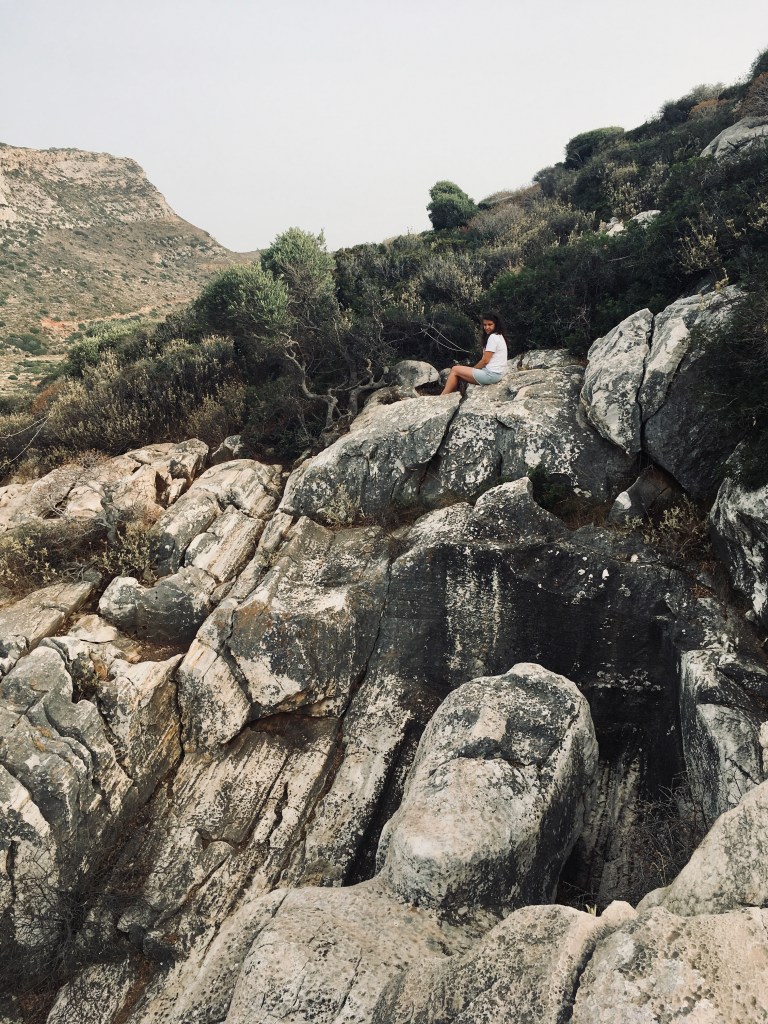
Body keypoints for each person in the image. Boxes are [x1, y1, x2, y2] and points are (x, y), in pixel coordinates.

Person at [440, 312, 508, 395]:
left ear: (496, 324)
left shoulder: (493, 337)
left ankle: (443, 397)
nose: (487, 327)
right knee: (459, 373)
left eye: (490, 324)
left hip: (491, 375)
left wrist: (473, 369)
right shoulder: (499, 336)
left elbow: (485, 361)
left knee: (455, 369)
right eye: (485, 325)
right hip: (496, 374)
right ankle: (449, 395)